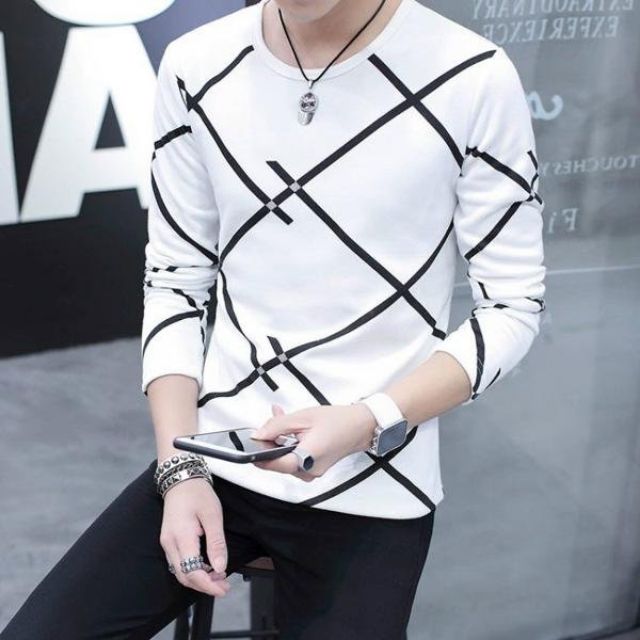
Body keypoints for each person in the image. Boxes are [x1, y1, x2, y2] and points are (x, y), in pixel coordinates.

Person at [0, 0, 546, 638]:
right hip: (215, 457)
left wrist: (370, 418)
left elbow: (511, 306)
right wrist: (179, 471)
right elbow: (175, 280)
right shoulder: (196, 62)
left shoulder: (472, 74)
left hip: (374, 476)